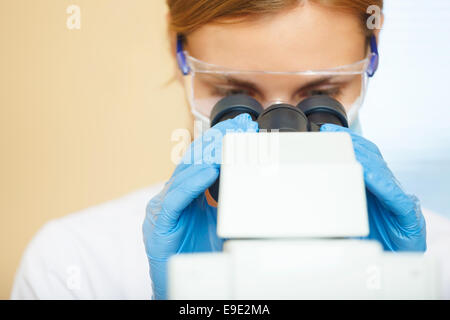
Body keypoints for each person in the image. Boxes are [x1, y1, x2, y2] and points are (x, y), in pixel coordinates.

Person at [11, 0, 450, 300]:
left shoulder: (440, 258)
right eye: (233, 93)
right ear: (178, 56)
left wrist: (397, 288)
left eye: (323, 92)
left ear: (372, 56)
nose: (277, 130)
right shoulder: (74, 263)